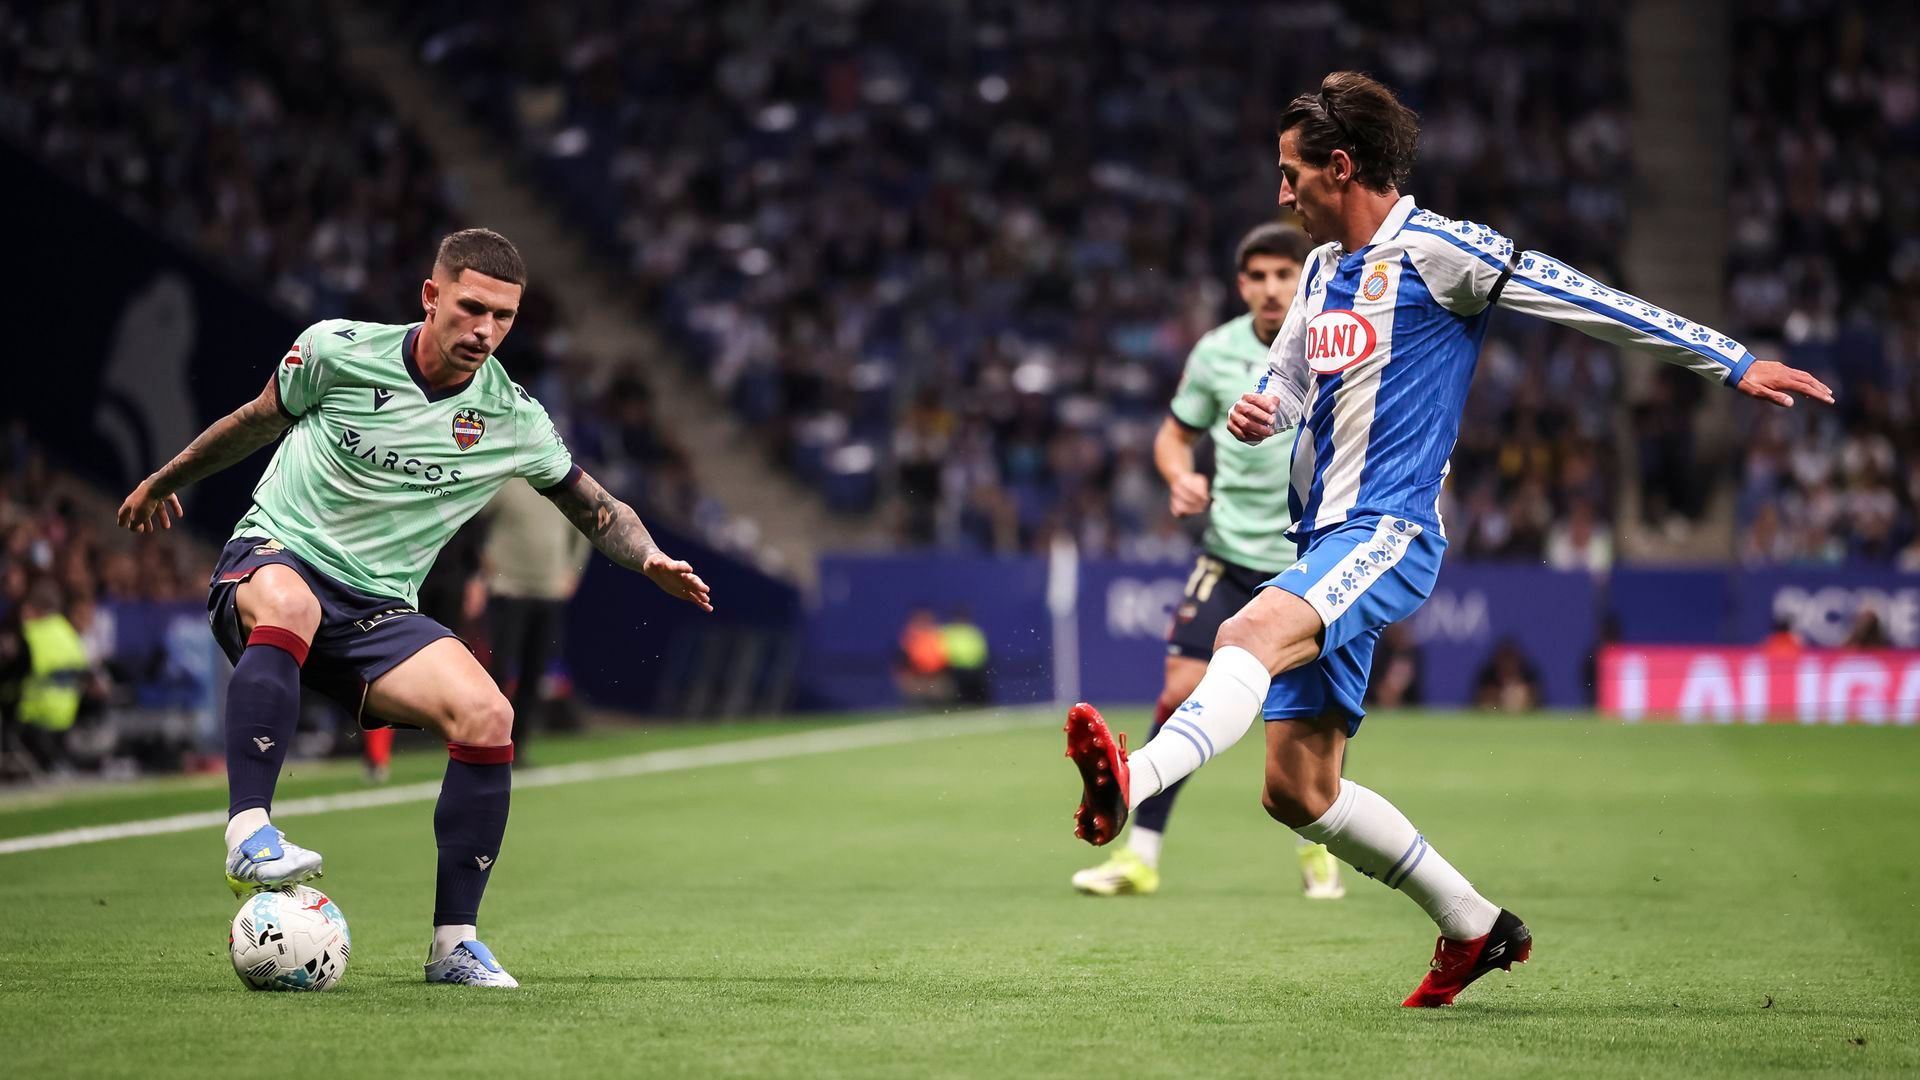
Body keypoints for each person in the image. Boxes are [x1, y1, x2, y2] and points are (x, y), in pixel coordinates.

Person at [1062, 72, 1833, 1007]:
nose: (1281, 192)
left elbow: (1580, 296)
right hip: (1319, 539)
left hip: (1388, 528)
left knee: (1245, 634)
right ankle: (1475, 927)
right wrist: (1268, 407)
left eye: (1290, 172)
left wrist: (1729, 359)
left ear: (1340, 167)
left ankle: (1133, 783)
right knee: (1297, 791)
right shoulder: (1319, 271)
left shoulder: (1441, 251)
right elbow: (1292, 380)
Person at [116, 229, 712, 988]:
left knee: (489, 715)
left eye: (503, 317)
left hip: (377, 611)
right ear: (431, 296)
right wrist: (164, 480)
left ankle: (454, 944)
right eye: (471, 308)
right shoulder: (335, 351)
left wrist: (649, 556)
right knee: (292, 605)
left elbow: (598, 509)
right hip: (276, 558)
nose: (485, 330)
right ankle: (249, 832)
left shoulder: (512, 417)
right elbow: (255, 419)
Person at [1070, 224, 1342, 901]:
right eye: (1260, 276)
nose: (1273, 288)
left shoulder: (1334, 343)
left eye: (1285, 274)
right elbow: (1173, 436)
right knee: (1180, 691)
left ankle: (1318, 848)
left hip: (1307, 561)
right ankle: (1141, 856)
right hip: (1227, 554)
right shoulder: (1216, 353)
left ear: (1304, 278)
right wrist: (1180, 476)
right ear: (1242, 284)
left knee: (1305, 715)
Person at [481, 477, 593, 764]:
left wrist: (573, 572)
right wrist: (483, 560)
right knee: (500, 670)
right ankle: (487, 743)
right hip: (509, 588)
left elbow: (584, 529)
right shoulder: (507, 484)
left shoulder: (564, 487)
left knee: (535, 673)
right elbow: (474, 518)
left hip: (548, 591)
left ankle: (517, 747)